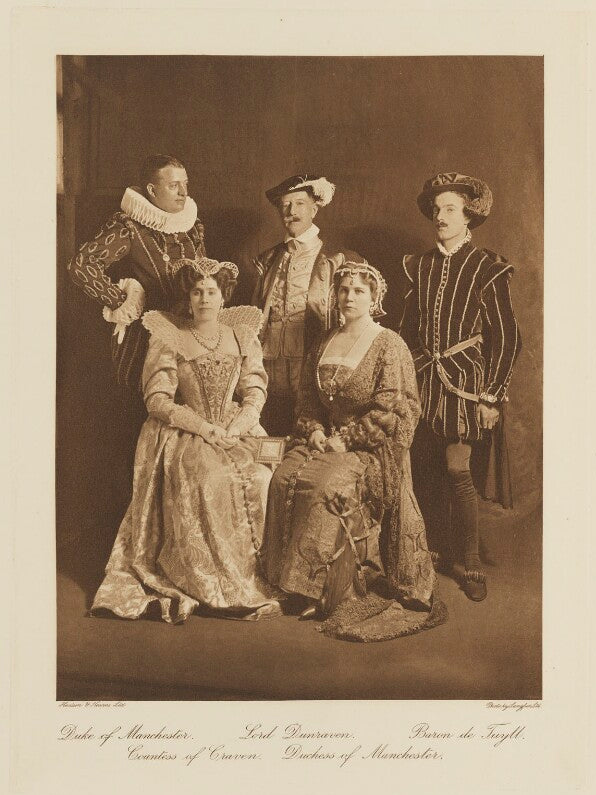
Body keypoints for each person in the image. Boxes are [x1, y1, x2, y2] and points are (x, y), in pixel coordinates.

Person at [261, 261, 446, 642]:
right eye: (344, 290)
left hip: (370, 446)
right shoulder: (323, 342)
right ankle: (285, 583)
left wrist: (347, 440)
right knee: (282, 478)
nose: (349, 297)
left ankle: (324, 591)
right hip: (323, 439)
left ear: (373, 298)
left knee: (327, 487)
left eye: (359, 291)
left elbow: (392, 408)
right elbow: (308, 400)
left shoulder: (388, 344)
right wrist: (314, 430)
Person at [91, 257, 281, 623]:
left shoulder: (241, 335)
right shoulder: (170, 337)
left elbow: (255, 388)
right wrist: (204, 428)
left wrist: (240, 423)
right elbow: (158, 399)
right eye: (197, 292)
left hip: (235, 427)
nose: (205, 299)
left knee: (263, 476)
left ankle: (256, 577)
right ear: (189, 298)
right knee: (210, 478)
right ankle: (209, 582)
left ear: (223, 296)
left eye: (211, 291)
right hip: (187, 431)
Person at [399, 171, 521, 602]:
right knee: (425, 469)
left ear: (469, 215)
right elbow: (407, 330)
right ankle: (431, 551)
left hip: (466, 386)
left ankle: (469, 562)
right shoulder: (420, 265)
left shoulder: (487, 266)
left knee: (457, 470)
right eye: (436, 209)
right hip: (423, 381)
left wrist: (492, 396)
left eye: (450, 208)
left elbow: (507, 337)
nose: (440, 216)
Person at [67, 154, 206, 391]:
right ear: (152, 190)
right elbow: (81, 265)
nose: (183, 192)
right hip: (145, 339)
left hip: (189, 335)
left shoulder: (192, 226)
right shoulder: (129, 227)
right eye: (174, 185)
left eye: (185, 184)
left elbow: (204, 273)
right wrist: (123, 300)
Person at [252, 173, 361, 435]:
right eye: (285, 205)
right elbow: (255, 313)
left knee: (311, 428)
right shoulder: (268, 259)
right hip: (270, 362)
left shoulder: (338, 259)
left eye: (299, 204)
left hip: (313, 359)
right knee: (271, 430)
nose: (291, 212)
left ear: (314, 209)